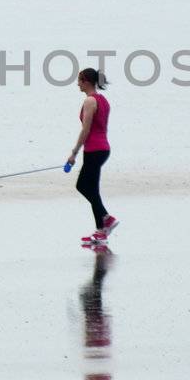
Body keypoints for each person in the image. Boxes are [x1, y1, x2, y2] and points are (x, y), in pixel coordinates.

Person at [65, 67, 118, 246]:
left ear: (86, 81)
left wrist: (74, 153)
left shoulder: (90, 101)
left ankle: (106, 219)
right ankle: (100, 230)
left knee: (83, 186)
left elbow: (86, 129)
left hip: (94, 150)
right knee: (91, 188)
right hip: (103, 149)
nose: (77, 84)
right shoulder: (103, 100)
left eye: (79, 80)